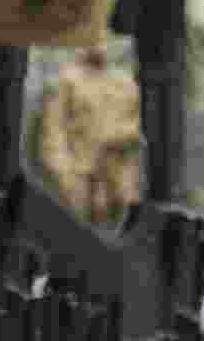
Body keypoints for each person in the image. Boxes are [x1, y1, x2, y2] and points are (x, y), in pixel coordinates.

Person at [37, 37, 142, 224]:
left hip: (118, 173)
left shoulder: (125, 83)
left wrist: (118, 139)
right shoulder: (66, 81)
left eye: (105, 38)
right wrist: (66, 176)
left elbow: (139, 126)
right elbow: (53, 135)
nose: (100, 43)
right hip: (80, 174)